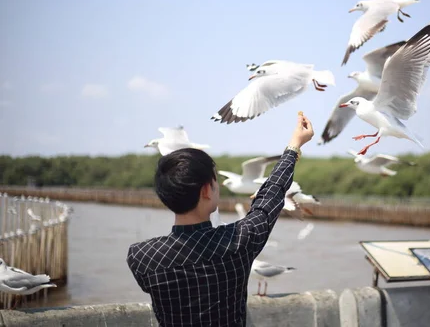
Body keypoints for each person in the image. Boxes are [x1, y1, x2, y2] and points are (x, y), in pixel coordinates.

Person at [126, 113, 314, 326]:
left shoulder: (142, 257)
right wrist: (294, 145)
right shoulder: (240, 241)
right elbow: (270, 195)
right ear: (207, 190)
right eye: (215, 182)